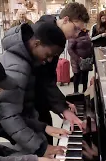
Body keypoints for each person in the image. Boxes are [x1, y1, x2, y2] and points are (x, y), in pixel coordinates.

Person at [0, 23, 69, 157]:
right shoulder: (17, 67)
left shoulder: (26, 58)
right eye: (49, 54)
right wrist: (40, 148)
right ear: (36, 44)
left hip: (28, 126)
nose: (49, 60)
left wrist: (44, 127)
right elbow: (9, 116)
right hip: (21, 132)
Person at [33, 2, 90, 144]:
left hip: (38, 102)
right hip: (31, 106)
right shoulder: (45, 35)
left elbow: (49, 79)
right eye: (76, 29)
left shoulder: (56, 36)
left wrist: (62, 104)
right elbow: (43, 80)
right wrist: (63, 109)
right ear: (65, 20)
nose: (76, 35)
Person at [68, 29, 93, 93]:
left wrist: (91, 55)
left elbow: (90, 45)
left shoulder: (86, 33)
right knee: (77, 75)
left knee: (85, 76)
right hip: (77, 60)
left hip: (86, 60)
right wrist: (78, 59)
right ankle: (76, 92)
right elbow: (70, 49)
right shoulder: (73, 34)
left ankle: (85, 92)